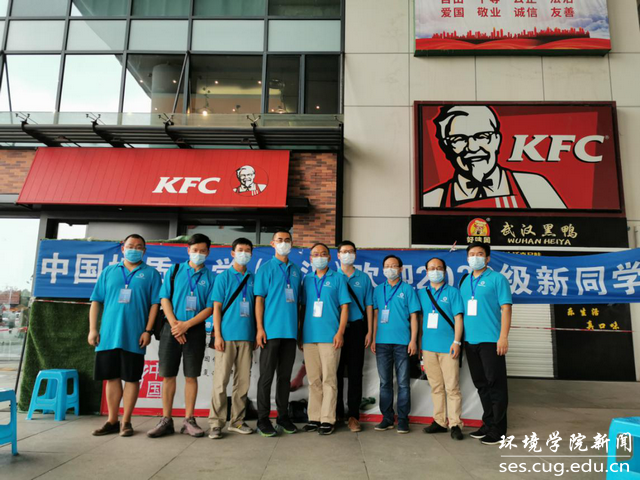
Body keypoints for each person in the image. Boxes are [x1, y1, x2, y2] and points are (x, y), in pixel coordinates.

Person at [88, 234, 162, 437]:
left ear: (144, 250)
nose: (134, 249)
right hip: (108, 335)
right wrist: (93, 329)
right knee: (111, 378)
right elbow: (96, 301)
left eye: (138, 247)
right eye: (130, 246)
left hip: (135, 335)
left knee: (131, 378)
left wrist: (148, 330)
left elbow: (155, 304)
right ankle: (112, 420)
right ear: (123, 248)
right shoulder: (109, 272)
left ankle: (126, 422)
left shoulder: (151, 274)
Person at [422, 105, 566, 209]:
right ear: (446, 146)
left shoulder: (533, 186)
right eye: (459, 139)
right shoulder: (432, 200)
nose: (472, 147)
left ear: (497, 140)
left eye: (482, 136)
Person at [147, 234, 215, 438]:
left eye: (202, 251)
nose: (198, 254)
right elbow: (164, 298)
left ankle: (189, 420)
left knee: (191, 376)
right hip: (171, 328)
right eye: (195, 250)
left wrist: (187, 325)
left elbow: (210, 308)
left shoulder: (211, 277)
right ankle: (166, 420)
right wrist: (175, 325)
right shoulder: (175, 270)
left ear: (208, 252)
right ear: (188, 250)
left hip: (195, 330)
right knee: (168, 375)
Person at [459, 241, 512, 445]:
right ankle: (488, 424)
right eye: (472, 254)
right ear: (467, 258)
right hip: (470, 340)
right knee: (481, 385)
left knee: (495, 385)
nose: (475, 257)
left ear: (487, 258)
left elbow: (506, 309)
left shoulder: (498, 279)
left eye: (480, 254)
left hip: (491, 340)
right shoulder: (465, 281)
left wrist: (503, 337)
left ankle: (499, 430)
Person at [254, 229, 302, 437]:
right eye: (280, 240)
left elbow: (299, 303)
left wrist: (299, 330)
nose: (284, 243)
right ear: (272, 243)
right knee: (266, 377)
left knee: (284, 377)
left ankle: (282, 417)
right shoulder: (265, 269)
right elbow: (259, 300)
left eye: (287, 240)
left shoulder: (296, 270)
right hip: (270, 331)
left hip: (290, 333)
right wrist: (259, 328)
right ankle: (263, 419)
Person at [299, 243, 350, 435]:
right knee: (313, 380)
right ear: (310, 258)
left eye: (323, 254)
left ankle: (328, 419)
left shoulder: (338, 278)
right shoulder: (307, 279)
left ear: (329, 257)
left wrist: (340, 332)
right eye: (315, 254)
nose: (319, 257)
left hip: (330, 336)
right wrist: (300, 334)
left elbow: (345, 307)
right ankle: (314, 417)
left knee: (329, 379)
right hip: (309, 336)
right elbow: (303, 308)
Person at [208, 238, 256, 439]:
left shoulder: (253, 278)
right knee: (221, 381)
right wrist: (218, 335)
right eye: (240, 250)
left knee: (242, 382)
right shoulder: (223, 277)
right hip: (226, 337)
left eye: (247, 250)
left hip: (247, 336)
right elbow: (216, 308)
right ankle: (216, 423)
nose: (244, 253)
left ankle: (237, 421)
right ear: (233, 253)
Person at [371, 254, 420, 434]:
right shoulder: (378, 290)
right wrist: (374, 338)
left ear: (400, 269)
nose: (390, 269)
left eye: (393, 266)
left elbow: (414, 316)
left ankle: (403, 420)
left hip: (402, 343)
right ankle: (387, 418)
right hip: (382, 343)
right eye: (387, 266)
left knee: (403, 383)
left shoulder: (407, 290)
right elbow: (376, 316)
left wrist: (413, 340)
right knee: (385, 383)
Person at [417, 257, 465, 441]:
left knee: (452, 387)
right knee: (436, 387)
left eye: (438, 268)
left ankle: (455, 424)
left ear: (444, 271)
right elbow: (420, 320)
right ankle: (439, 421)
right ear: (426, 272)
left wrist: (457, 342)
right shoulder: (422, 293)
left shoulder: (453, 292)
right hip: (428, 347)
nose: (435, 271)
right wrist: (420, 344)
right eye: (431, 268)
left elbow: (458, 318)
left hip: (448, 347)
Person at [335, 240, 374, 432]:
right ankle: (336, 414)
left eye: (350, 251)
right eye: (344, 251)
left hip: (358, 329)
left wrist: (370, 331)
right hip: (335, 330)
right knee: (335, 372)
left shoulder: (364, 278)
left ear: (355, 255)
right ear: (338, 255)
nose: (347, 254)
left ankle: (353, 416)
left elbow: (369, 306)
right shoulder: (333, 276)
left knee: (355, 373)